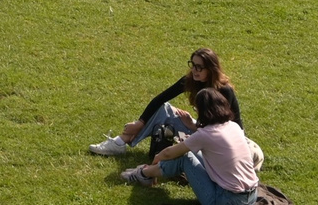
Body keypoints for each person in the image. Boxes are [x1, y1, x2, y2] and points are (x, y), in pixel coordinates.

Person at [88, 47, 243, 157]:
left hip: (221, 138)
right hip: (202, 129)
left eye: (199, 67)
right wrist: (140, 123)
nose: (194, 70)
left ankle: (120, 143)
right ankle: (121, 141)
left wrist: (192, 126)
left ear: (211, 69)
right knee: (165, 109)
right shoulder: (190, 81)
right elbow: (161, 98)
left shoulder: (224, 91)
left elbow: (220, 128)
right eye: (192, 65)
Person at [121, 86, 265, 203]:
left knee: (185, 158)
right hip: (251, 195)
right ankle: (146, 174)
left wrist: (155, 160)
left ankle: (143, 174)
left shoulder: (205, 135)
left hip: (227, 200)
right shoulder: (233, 126)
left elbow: (169, 153)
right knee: (193, 152)